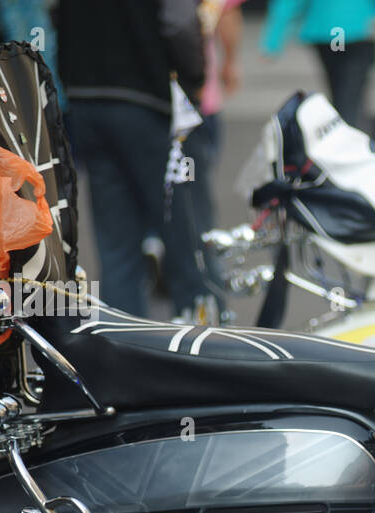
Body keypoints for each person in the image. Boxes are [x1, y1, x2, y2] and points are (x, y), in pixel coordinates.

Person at [56, 0, 205, 317]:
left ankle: (124, 343)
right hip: (144, 94)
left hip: (87, 96)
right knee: (180, 228)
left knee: (115, 241)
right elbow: (180, 22)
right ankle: (199, 336)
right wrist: (194, 78)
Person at [162, 0, 244, 321]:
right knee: (196, 212)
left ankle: (195, 297)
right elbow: (226, 15)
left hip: (151, 103)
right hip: (193, 105)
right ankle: (208, 305)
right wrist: (229, 63)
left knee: (177, 207)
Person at [262, 0, 375, 130]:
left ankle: (341, 132)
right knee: (349, 95)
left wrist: (273, 40)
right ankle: (346, 136)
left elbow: (289, 3)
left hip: (330, 31)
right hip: (358, 30)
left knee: (340, 90)